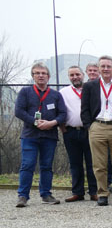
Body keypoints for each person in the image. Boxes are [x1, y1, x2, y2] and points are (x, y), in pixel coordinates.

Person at [81, 55, 112, 206]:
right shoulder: (90, 86)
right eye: (102, 66)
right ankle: (102, 193)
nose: (105, 69)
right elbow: (84, 109)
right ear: (98, 69)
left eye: (108, 66)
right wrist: (89, 126)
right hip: (97, 126)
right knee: (99, 164)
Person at [14, 62, 66, 207]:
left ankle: (46, 194)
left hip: (49, 136)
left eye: (43, 73)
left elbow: (63, 114)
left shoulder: (56, 95)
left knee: (46, 166)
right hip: (30, 135)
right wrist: (35, 122)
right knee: (27, 165)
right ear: (33, 76)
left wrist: (51, 123)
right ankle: (23, 196)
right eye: (37, 73)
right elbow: (19, 111)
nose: (41, 75)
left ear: (48, 76)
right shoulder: (25, 92)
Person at [60, 66, 98, 203]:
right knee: (75, 164)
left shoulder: (91, 89)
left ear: (83, 75)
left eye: (77, 74)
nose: (75, 77)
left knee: (92, 163)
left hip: (89, 131)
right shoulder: (63, 92)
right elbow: (60, 111)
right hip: (70, 132)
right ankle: (77, 192)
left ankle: (94, 191)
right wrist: (63, 128)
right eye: (71, 75)